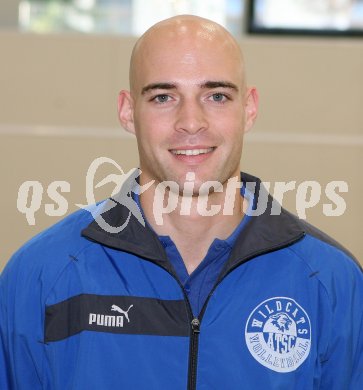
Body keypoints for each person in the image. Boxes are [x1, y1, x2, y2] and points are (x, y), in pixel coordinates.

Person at [1, 15, 362, 390]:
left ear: (249, 108)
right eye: (163, 97)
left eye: (217, 96)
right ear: (128, 111)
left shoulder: (330, 280)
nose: (191, 122)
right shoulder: (41, 276)